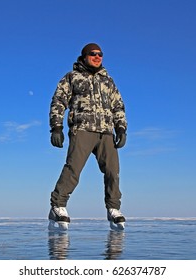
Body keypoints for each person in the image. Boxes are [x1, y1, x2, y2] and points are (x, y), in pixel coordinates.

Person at [48, 43, 127, 230]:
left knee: (112, 171)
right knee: (73, 168)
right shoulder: (72, 77)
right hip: (82, 129)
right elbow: (58, 100)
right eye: (93, 54)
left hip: (106, 132)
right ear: (84, 56)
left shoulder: (108, 81)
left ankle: (114, 209)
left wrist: (121, 128)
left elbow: (118, 106)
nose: (97, 57)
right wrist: (56, 127)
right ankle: (58, 206)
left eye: (100, 54)